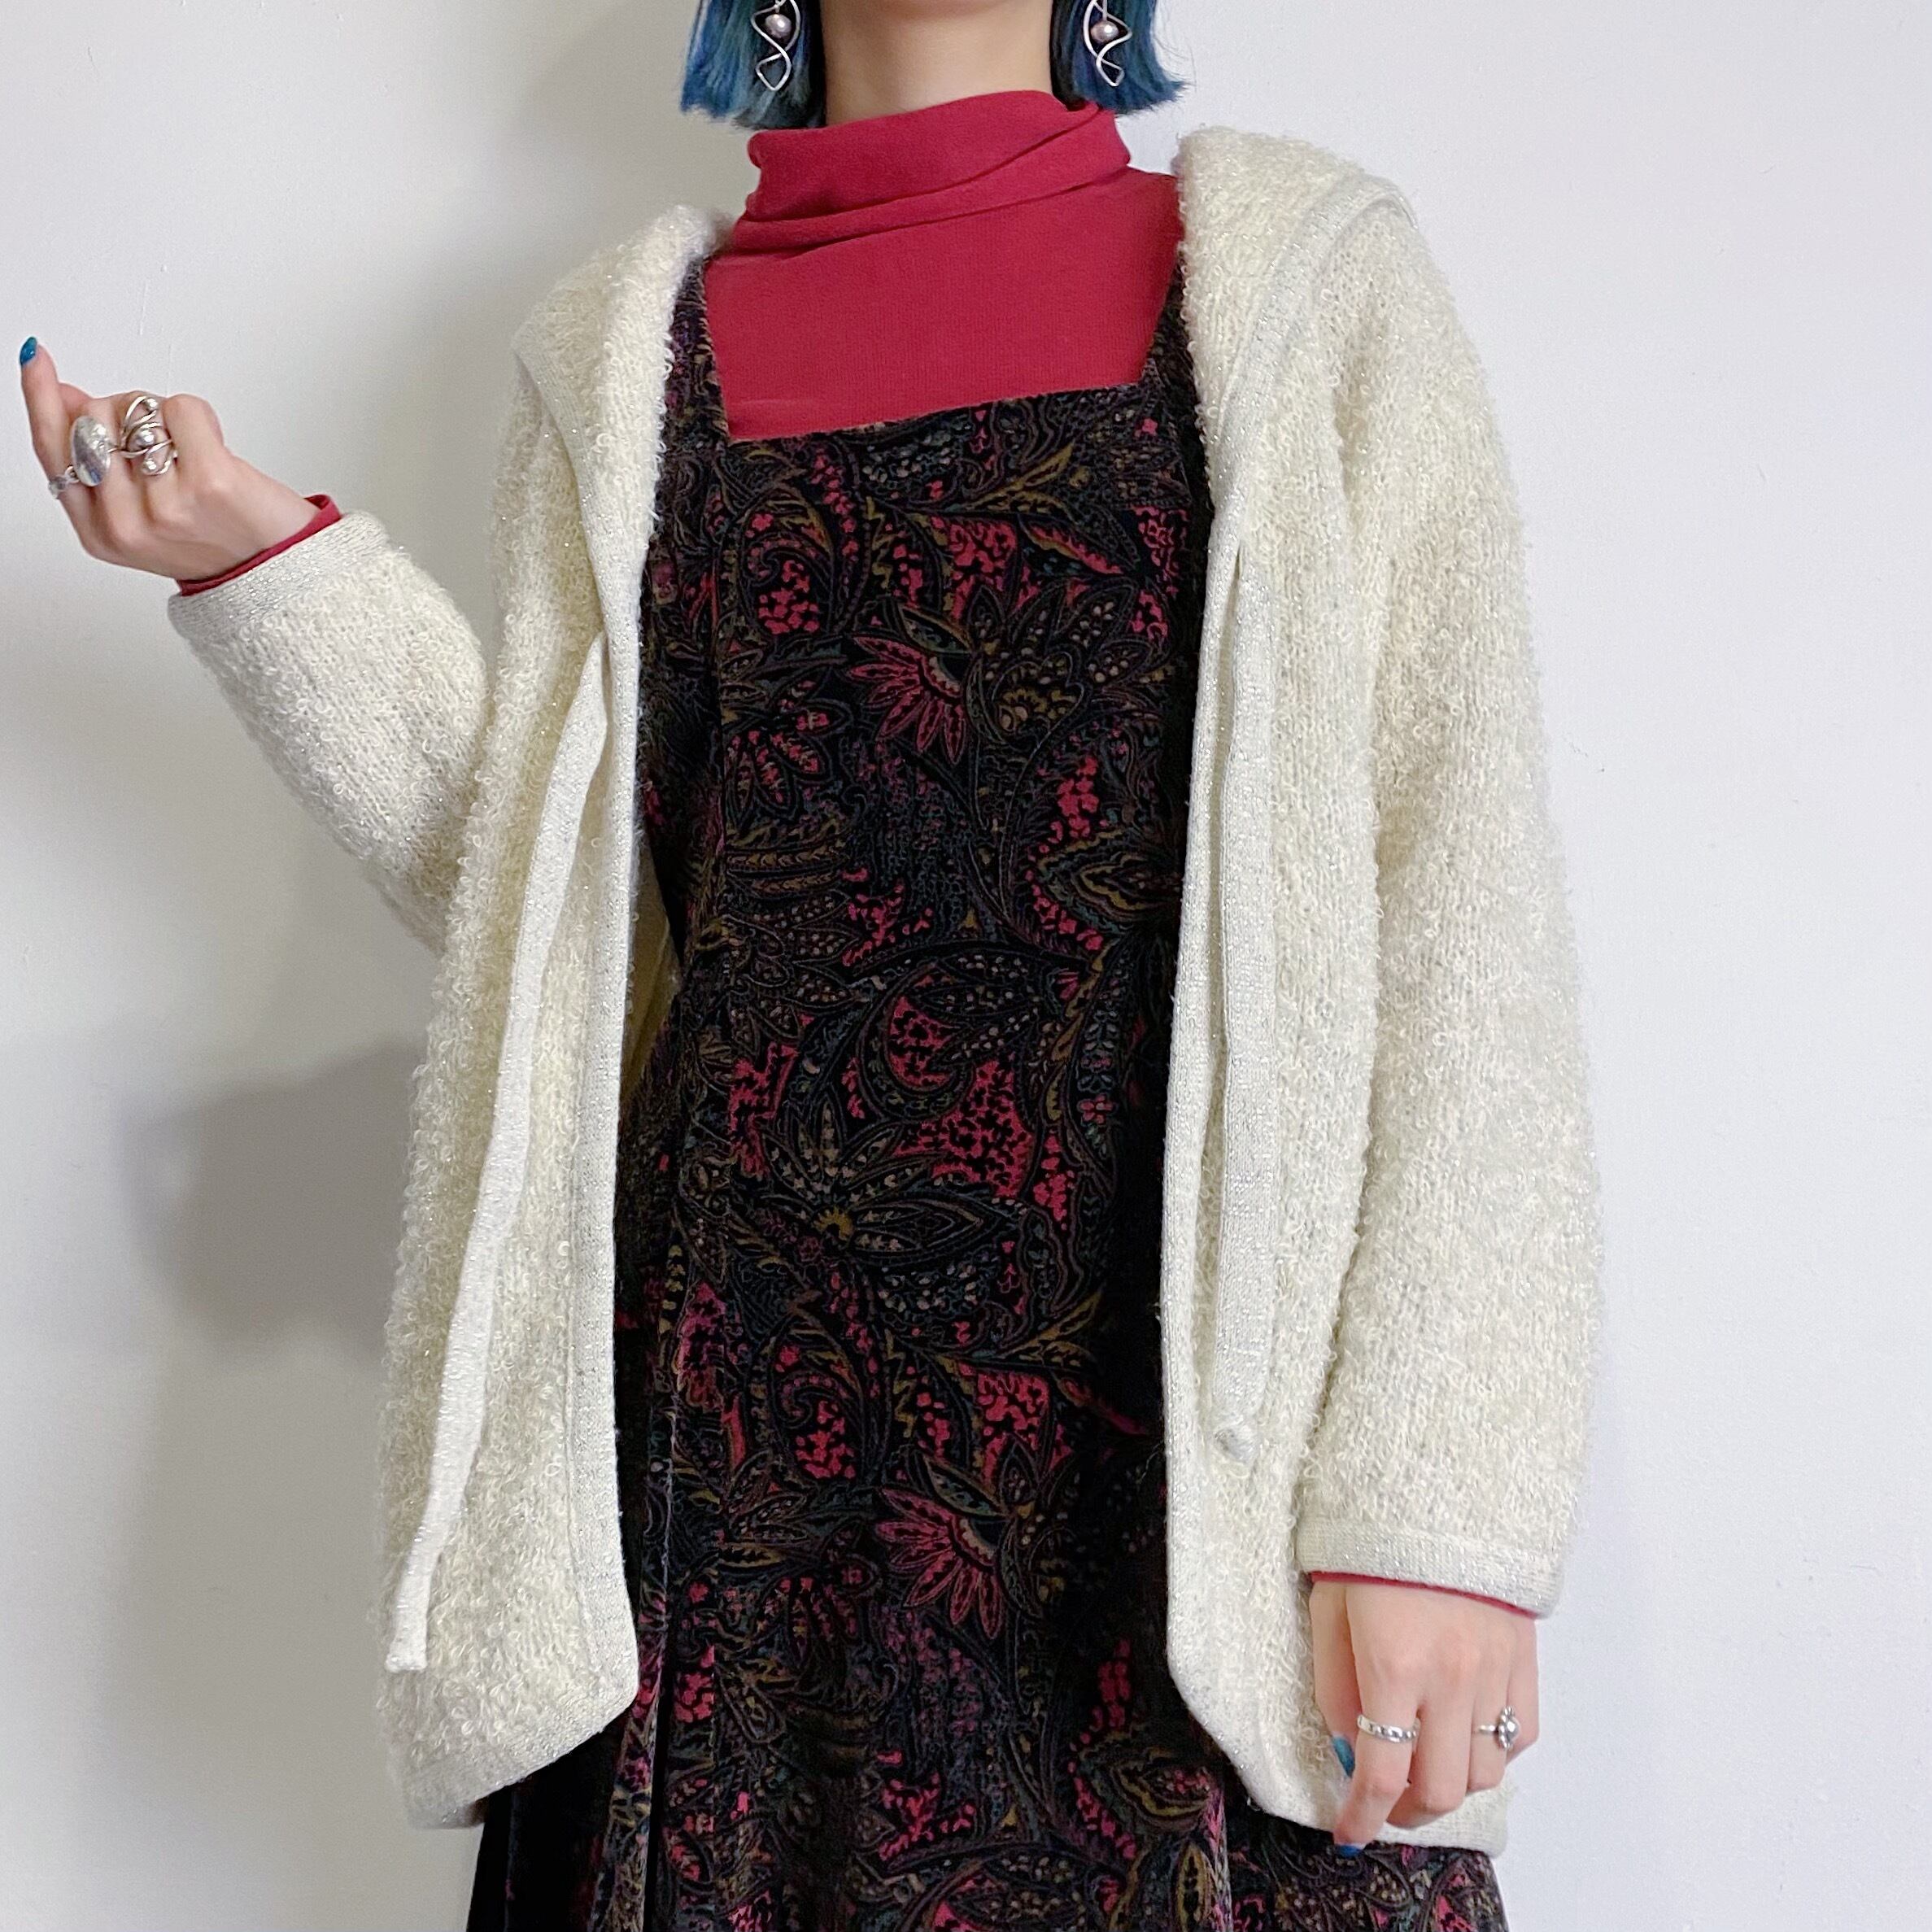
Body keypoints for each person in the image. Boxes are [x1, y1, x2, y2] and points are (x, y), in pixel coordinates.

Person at [17, 2, 1603, 1925]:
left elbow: (1462, 903)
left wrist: (1437, 1517)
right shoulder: (621, 350)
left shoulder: (1308, 283)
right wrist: (262, 566)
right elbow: (560, 916)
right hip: (721, 1508)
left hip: (1177, 1500)